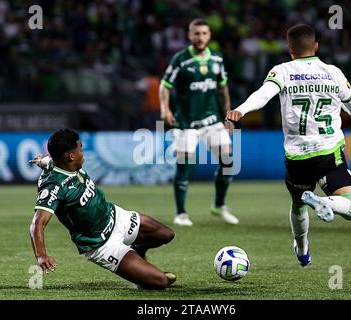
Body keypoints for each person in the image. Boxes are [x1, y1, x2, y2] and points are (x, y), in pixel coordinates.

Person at [226, 24, 351, 267]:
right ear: (316, 46)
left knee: (298, 202)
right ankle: (327, 201)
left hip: (297, 157)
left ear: (290, 50)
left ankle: (302, 248)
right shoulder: (334, 72)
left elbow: (263, 95)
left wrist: (240, 110)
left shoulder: (282, 71)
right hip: (329, 152)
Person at [29, 128, 176, 289]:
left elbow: (48, 160)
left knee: (166, 234)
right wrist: (41, 256)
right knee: (160, 282)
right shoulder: (54, 186)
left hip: (116, 217)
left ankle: (137, 248)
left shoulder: (61, 163)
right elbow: (37, 224)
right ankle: (140, 273)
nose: (83, 153)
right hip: (102, 244)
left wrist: (41, 160)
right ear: (70, 156)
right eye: (80, 149)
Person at [159, 18, 238, 227]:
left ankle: (219, 205)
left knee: (228, 162)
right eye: (196, 33)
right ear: (189, 35)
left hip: (212, 120)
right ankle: (181, 213)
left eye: (204, 33)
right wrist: (164, 109)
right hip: (186, 123)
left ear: (209, 35)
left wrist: (228, 115)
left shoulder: (217, 60)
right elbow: (165, 85)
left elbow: (223, 89)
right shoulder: (180, 59)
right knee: (186, 166)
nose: (200, 37)